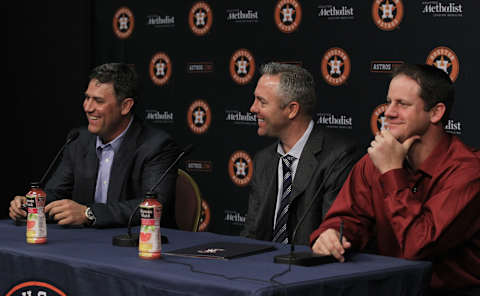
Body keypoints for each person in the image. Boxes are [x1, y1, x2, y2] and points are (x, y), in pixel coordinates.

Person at [310, 64, 480, 293]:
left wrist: (392, 172)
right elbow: (347, 219)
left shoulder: (468, 170)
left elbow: (417, 247)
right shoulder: (374, 162)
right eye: (389, 101)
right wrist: (330, 234)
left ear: (436, 112)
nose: (388, 112)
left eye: (403, 104)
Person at [9, 62, 179, 228]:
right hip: (85, 244)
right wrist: (31, 203)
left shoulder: (156, 145)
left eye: (98, 101)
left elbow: (154, 205)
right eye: (87, 98)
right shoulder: (78, 140)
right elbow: (56, 193)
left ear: (125, 106)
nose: (87, 107)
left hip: (138, 246)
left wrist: (88, 214)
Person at [241, 62, 360, 245]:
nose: (253, 109)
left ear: (292, 110)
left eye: (262, 102)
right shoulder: (263, 160)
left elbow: (333, 234)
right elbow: (251, 233)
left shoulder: (338, 157)